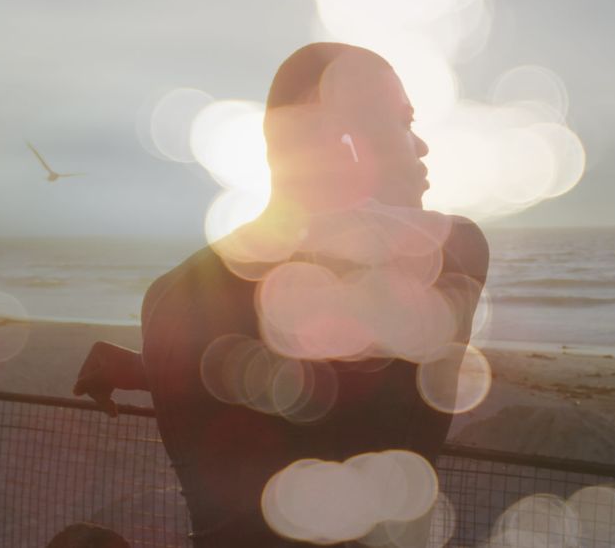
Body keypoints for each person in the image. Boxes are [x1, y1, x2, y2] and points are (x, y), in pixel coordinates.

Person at [74, 43, 489, 547]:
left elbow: (267, 372)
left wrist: (149, 367)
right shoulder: (454, 252)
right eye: (402, 123)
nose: (421, 146)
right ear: (346, 139)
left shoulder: (171, 296)